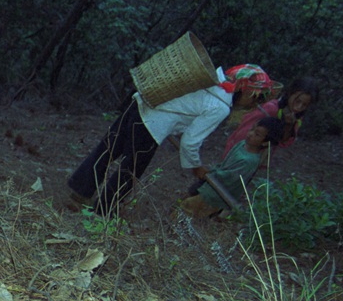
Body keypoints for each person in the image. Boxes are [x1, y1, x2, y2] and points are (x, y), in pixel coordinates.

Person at [65, 63, 275, 217]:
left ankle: (81, 190)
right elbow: (190, 142)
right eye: (254, 96)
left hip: (140, 104)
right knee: (130, 171)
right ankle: (103, 212)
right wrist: (196, 167)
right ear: (244, 90)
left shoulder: (210, 81)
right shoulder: (219, 106)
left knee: (108, 149)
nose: (252, 102)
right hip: (152, 124)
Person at [179, 116, 283, 218]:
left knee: (188, 209)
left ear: (265, 142)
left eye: (257, 134)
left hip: (217, 194)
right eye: (252, 129)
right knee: (187, 203)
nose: (250, 134)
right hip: (212, 182)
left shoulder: (249, 161)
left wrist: (211, 174)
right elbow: (225, 164)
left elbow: (229, 178)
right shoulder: (242, 144)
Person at [222, 77, 319, 158]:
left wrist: (289, 125)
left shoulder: (296, 117)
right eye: (297, 101)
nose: (299, 107)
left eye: (304, 105)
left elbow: (284, 142)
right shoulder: (270, 109)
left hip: (257, 159)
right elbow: (243, 132)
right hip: (239, 154)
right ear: (290, 93)